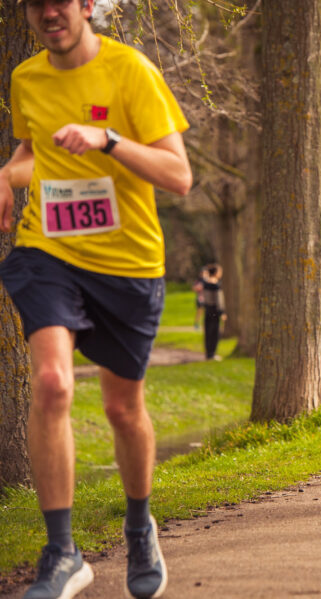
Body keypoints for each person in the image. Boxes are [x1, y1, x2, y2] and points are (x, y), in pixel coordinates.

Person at [0, 1, 191, 597]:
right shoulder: (26, 78)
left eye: (62, 0)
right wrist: (6, 176)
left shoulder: (131, 70)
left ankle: (139, 527)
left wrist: (107, 140)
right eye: (36, 3)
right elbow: (32, 154)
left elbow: (178, 175)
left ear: (87, 6)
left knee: (122, 410)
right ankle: (60, 552)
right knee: (53, 383)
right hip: (49, 252)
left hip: (127, 264)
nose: (48, 12)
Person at [201, 263, 226, 361]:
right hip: (215, 310)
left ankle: (208, 353)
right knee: (214, 331)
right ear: (216, 273)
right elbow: (219, 300)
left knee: (208, 331)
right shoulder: (216, 285)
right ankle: (212, 353)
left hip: (207, 309)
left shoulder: (205, 283)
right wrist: (222, 312)